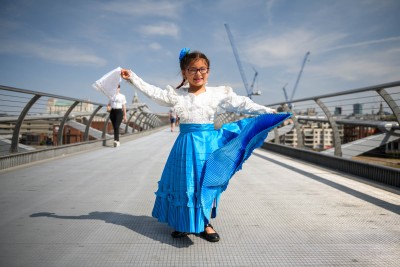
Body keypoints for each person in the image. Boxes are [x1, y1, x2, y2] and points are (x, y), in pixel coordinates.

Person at [120, 48, 291, 242]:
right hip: (186, 144)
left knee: (205, 182)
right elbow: (153, 93)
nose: (198, 74)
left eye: (203, 69)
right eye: (192, 70)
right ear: (184, 72)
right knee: (185, 183)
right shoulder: (177, 95)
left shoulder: (217, 94)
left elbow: (242, 104)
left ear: (208, 71)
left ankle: (204, 223)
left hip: (209, 144)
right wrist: (132, 78)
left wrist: (267, 111)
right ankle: (184, 223)